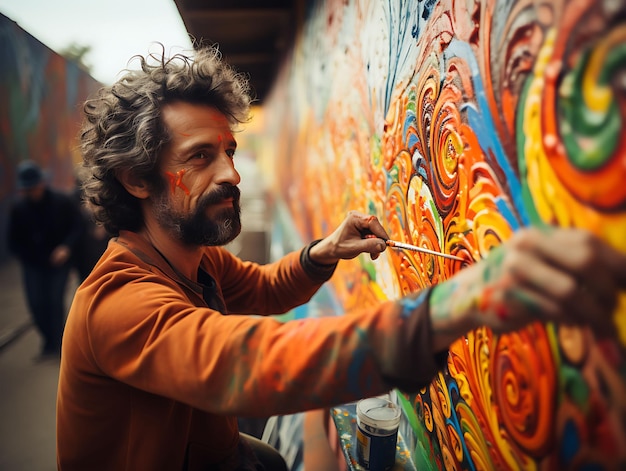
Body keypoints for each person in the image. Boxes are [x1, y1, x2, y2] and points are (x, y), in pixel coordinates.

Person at [55, 45, 626, 471]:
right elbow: (242, 365)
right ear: (135, 179)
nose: (230, 174)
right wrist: (451, 307)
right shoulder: (119, 302)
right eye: (200, 156)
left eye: (229, 151)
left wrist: (324, 252)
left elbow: (261, 287)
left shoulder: (192, 258)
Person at [8, 160, 84, 359]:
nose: (31, 192)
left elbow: (77, 226)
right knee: (36, 303)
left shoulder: (61, 201)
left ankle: (58, 344)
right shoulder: (19, 209)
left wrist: (66, 247)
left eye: (33, 187)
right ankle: (48, 340)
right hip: (33, 264)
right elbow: (13, 241)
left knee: (54, 300)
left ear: (42, 183)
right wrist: (28, 256)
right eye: (27, 189)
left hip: (59, 262)